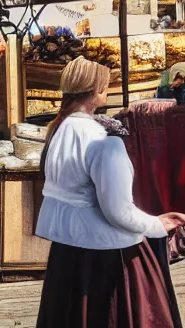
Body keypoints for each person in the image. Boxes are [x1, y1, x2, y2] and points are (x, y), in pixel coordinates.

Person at [35, 56, 185, 328]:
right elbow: (118, 212)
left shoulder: (58, 131)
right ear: (96, 91)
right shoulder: (102, 141)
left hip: (68, 255)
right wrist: (158, 224)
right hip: (106, 257)